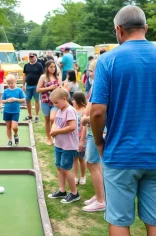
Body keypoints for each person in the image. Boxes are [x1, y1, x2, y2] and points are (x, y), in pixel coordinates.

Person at [90, 5, 156, 235]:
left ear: (118, 30)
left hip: (120, 153)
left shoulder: (108, 61)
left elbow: (96, 112)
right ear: (145, 28)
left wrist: (98, 142)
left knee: (119, 221)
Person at [81, 59, 106, 212]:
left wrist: (86, 118)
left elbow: (99, 111)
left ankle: (101, 200)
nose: (90, 73)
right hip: (91, 128)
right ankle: (99, 196)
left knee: (93, 164)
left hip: (96, 129)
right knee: (94, 164)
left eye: (91, 70)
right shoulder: (96, 85)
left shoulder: (101, 85)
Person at [48, 87, 80, 204]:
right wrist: (53, 130)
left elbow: (72, 127)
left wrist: (57, 132)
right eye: (53, 103)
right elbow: (55, 122)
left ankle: (74, 193)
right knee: (59, 167)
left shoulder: (70, 110)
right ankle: (62, 190)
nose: (55, 105)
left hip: (68, 146)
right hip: (59, 144)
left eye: (56, 102)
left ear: (64, 99)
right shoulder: (60, 110)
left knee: (66, 169)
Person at [36, 60, 61, 145]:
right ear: (47, 68)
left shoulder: (58, 77)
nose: (53, 69)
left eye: (54, 67)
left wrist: (58, 89)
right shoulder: (43, 77)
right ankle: (48, 137)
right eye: (51, 67)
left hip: (56, 102)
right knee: (47, 119)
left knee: (53, 118)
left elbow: (61, 88)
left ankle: (54, 135)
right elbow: (38, 89)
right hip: (45, 100)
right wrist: (49, 88)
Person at [1, 74, 25, 147]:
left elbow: (23, 100)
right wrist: (7, 100)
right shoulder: (6, 91)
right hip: (7, 111)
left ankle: (15, 134)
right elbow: (2, 101)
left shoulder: (19, 90)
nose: (10, 85)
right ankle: (10, 140)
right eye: (9, 83)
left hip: (15, 111)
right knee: (8, 126)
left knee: (14, 127)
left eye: (12, 83)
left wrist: (15, 99)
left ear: (15, 81)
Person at [22, 52, 44, 123]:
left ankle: (37, 116)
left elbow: (42, 76)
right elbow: (25, 75)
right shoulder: (26, 65)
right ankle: (30, 115)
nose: (31, 58)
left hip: (36, 86)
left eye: (32, 57)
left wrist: (41, 85)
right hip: (28, 85)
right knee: (28, 100)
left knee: (37, 100)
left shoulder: (39, 65)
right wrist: (23, 84)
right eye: (30, 57)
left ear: (35, 57)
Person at [72, 91, 87, 185]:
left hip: (81, 138)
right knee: (74, 158)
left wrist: (82, 140)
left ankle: (83, 176)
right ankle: (75, 176)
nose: (72, 101)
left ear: (78, 100)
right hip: (73, 138)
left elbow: (85, 126)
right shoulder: (73, 109)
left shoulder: (84, 110)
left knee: (81, 158)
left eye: (73, 99)